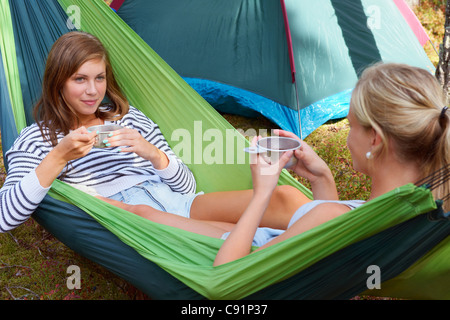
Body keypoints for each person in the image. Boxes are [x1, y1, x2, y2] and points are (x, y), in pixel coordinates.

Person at [98, 63, 449, 266]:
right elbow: (329, 232)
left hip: (249, 251)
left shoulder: (332, 218)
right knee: (203, 211)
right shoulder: (419, 204)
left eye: (352, 127)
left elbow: (230, 276)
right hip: (281, 242)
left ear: (375, 140)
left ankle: (79, 200)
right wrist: (323, 177)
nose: (346, 137)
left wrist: (261, 194)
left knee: (144, 214)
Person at [0, 31, 304, 233]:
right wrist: (59, 156)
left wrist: (153, 153)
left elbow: (185, 187)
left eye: (99, 78)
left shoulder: (129, 118)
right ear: (58, 82)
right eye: (80, 79)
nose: (93, 91)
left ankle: (328, 233)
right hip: (130, 217)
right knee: (233, 237)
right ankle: (265, 247)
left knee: (287, 198)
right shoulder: (37, 139)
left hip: (175, 202)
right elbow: (5, 216)